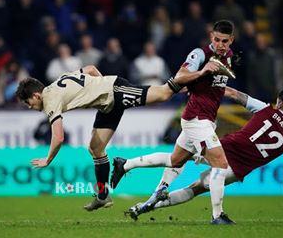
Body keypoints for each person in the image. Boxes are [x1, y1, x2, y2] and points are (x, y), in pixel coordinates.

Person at [15, 64, 216, 211]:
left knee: (163, 94)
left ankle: (199, 73)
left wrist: (48, 159)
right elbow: (91, 69)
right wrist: (99, 86)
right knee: (95, 148)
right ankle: (103, 196)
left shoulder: (49, 100)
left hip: (115, 91)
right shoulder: (58, 83)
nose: (31, 108)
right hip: (107, 102)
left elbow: (57, 137)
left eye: (28, 104)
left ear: (36, 96)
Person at [111, 20, 237, 224]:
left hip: (206, 119)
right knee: (221, 164)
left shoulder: (229, 57)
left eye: (225, 41)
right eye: (216, 39)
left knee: (175, 160)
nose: (220, 44)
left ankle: (125, 164)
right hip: (197, 119)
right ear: (211, 36)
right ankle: (217, 215)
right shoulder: (200, 54)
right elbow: (180, 76)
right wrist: (202, 72)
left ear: (231, 40)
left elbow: (207, 87)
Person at [123, 87, 283, 221]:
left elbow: (234, 94)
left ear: (279, 102)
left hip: (223, 148)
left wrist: (208, 87)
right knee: (196, 189)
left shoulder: (266, 109)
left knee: (177, 158)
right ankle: (150, 206)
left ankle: (132, 171)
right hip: (237, 169)